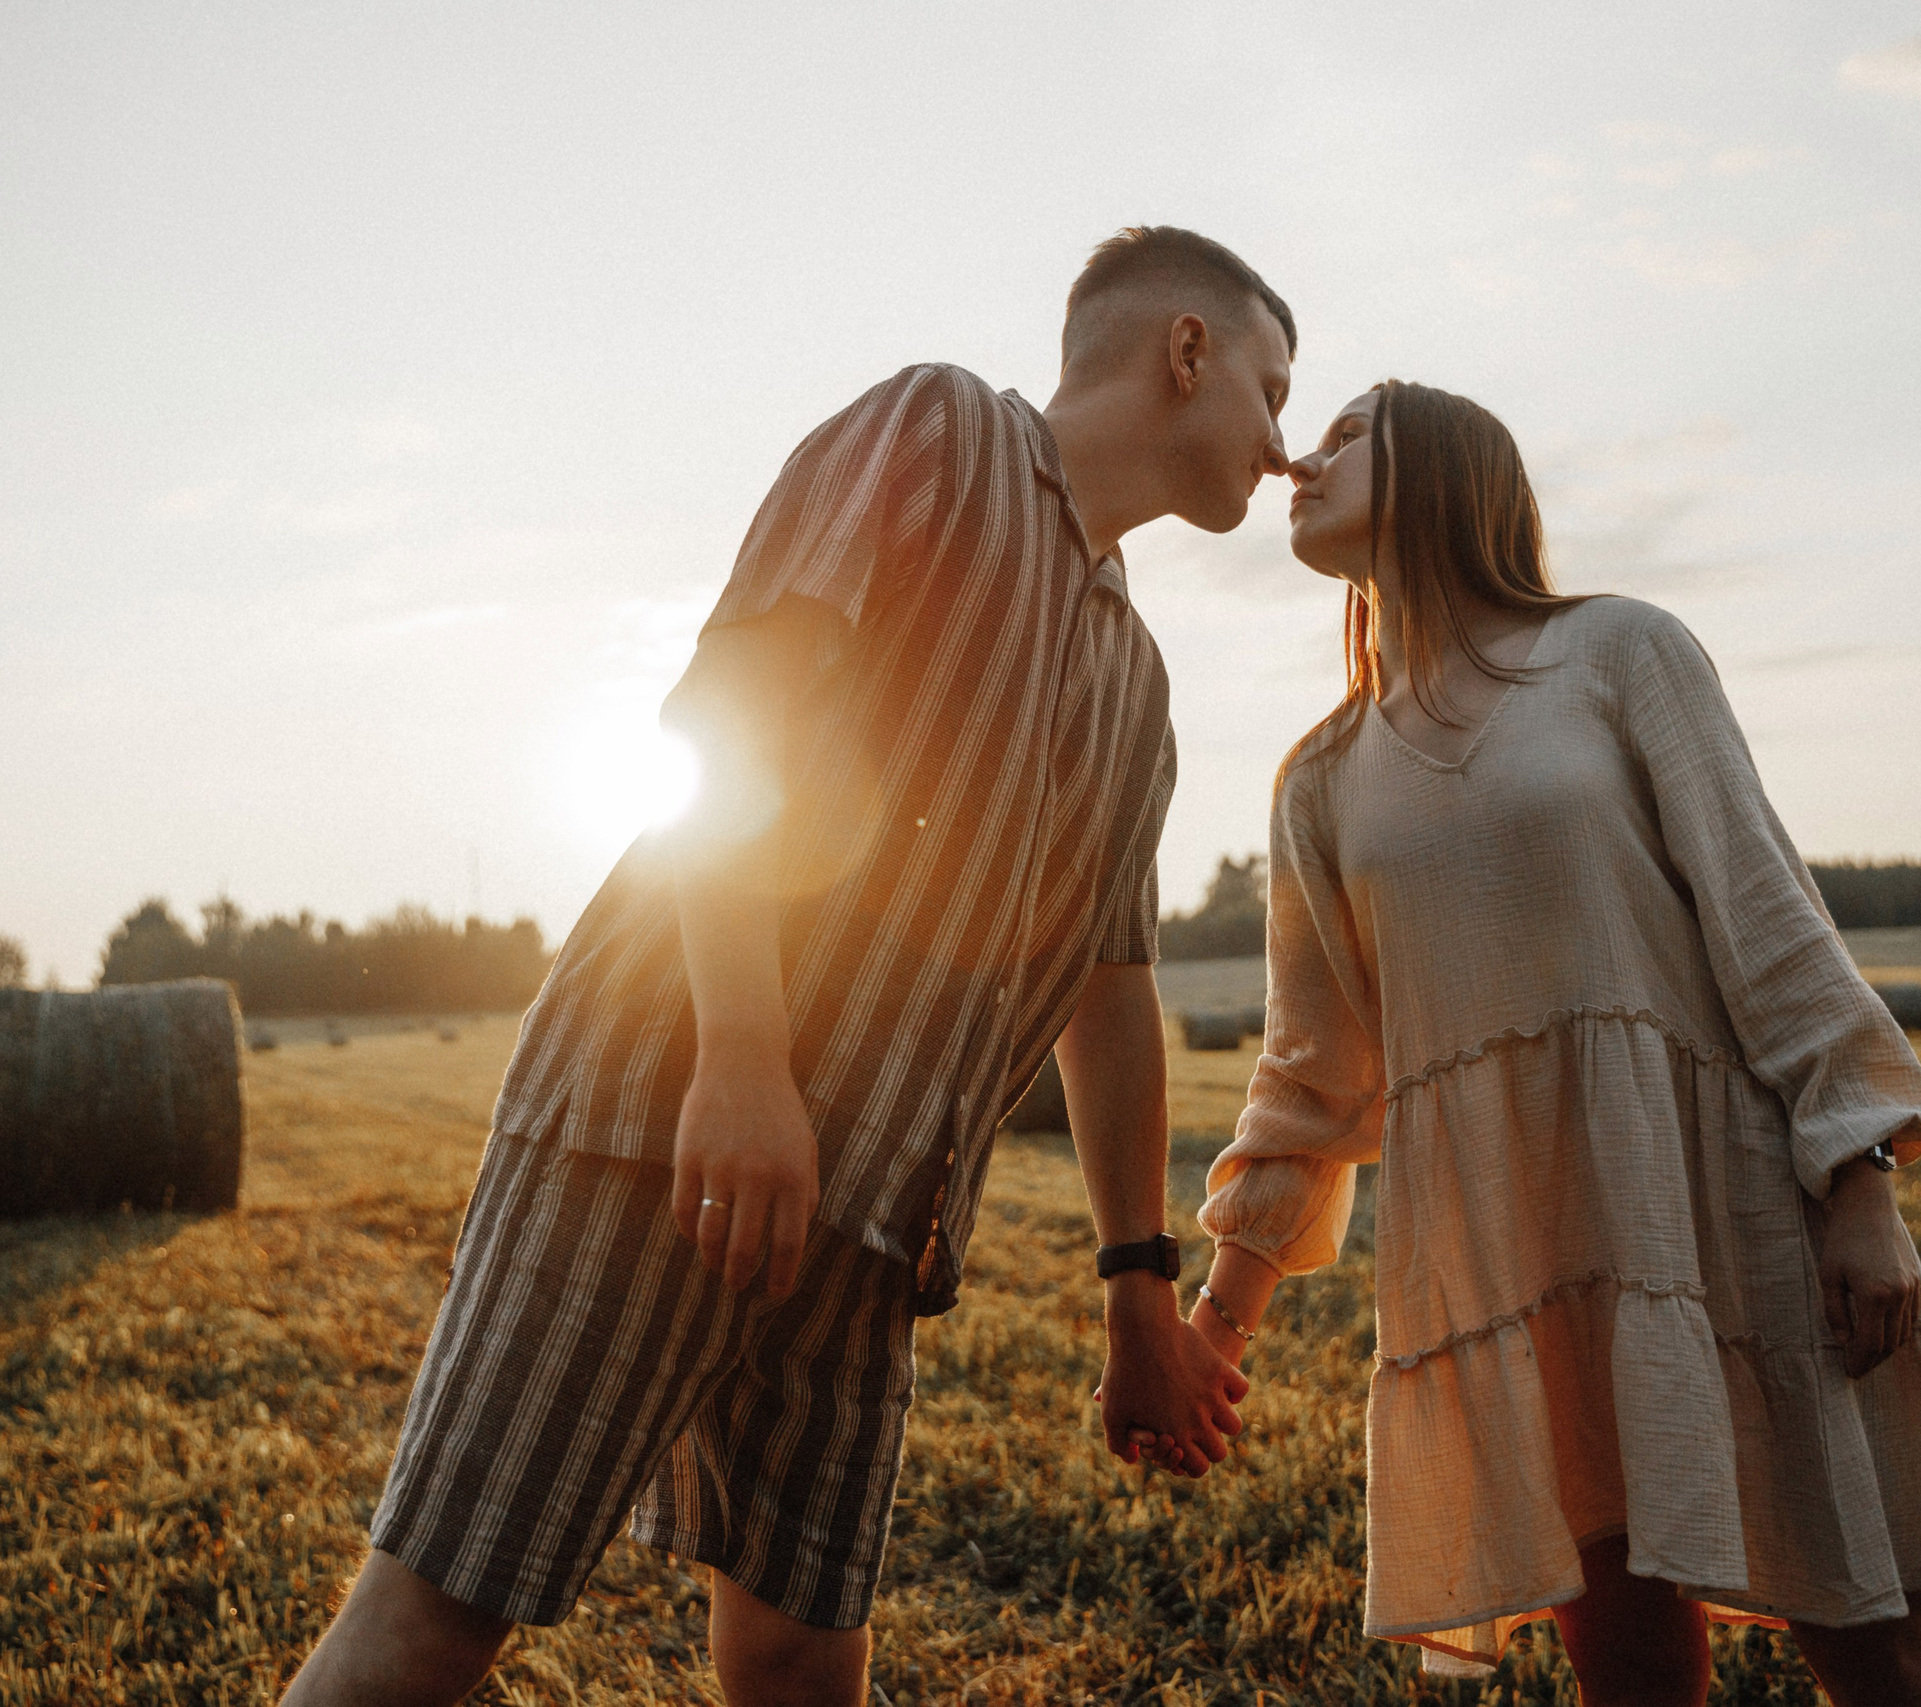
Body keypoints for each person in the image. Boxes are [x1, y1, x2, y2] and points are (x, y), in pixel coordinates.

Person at [278, 226, 1293, 1707]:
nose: (1279, 446)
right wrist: (743, 1063)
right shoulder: (939, 429)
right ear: (1184, 352)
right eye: (1272, 391)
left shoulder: (1136, 683)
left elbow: (1108, 987)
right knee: (440, 1613)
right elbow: (726, 722)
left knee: (805, 1661)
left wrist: (1141, 1290)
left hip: (878, 1224)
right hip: (666, 1123)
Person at [1183, 381, 1921, 1704]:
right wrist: (1219, 1319)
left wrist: (1863, 1187)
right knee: (1628, 1665)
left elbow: (1767, 915)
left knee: (1870, 1630)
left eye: (1351, 433)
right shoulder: (1321, 778)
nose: (1307, 456)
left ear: (1454, 467)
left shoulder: (1623, 652)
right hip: (1515, 1242)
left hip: (1717, 1201)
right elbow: (1311, 1081)